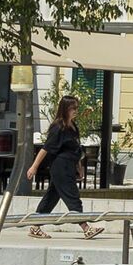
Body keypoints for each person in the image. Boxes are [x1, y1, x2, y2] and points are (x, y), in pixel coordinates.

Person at [26, 96, 98, 238]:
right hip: (60, 166)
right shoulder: (58, 127)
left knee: (52, 197)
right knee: (72, 196)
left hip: (69, 165)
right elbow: (45, 148)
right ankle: (86, 228)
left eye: (77, 108)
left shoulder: (72, 126)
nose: (76, 111)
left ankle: (35, 226)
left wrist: (79, 166)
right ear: (65, 109)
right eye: (73, 108)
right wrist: (34, 166)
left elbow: (75, 148)